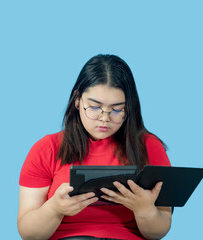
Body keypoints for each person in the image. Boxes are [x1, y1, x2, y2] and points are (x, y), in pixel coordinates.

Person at [17, 54, 172, 240]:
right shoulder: (46, 149)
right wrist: (54, 209)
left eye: (116, 110)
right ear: (77, 100)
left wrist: (145, 210)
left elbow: (158, 232)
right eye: (95, 107)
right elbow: (29, 234)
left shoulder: (149, 147)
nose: (104, 118)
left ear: (129, 108)